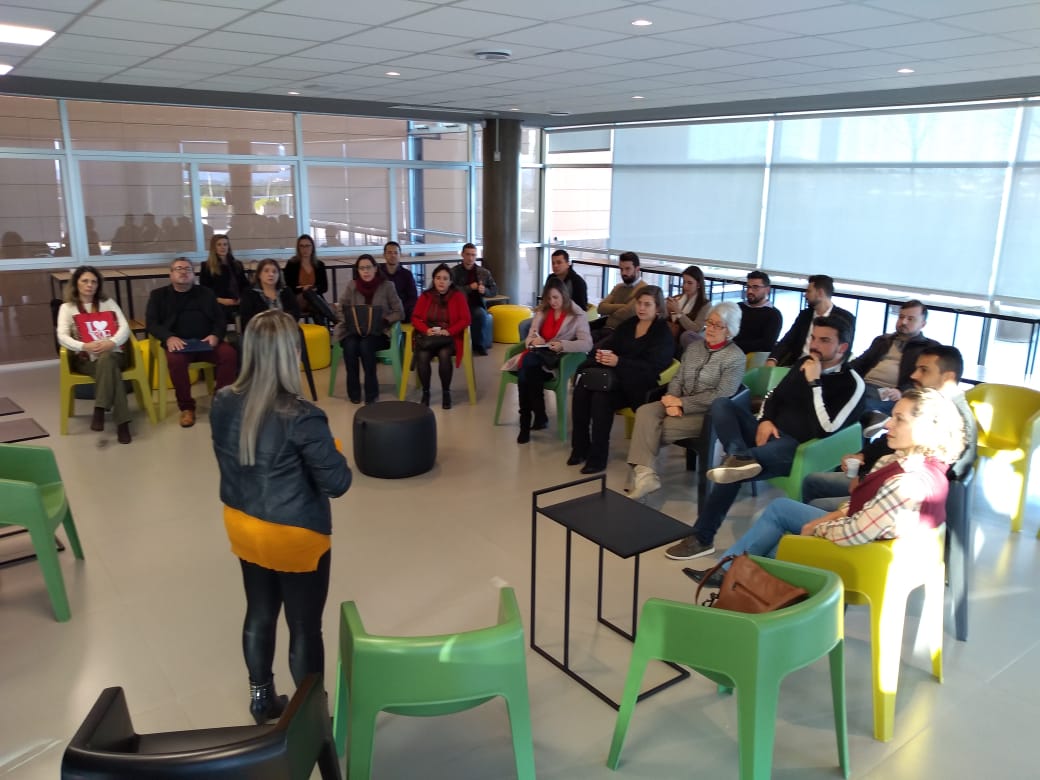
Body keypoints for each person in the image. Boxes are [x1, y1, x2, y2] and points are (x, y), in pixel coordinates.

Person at [210, 310, 351, 725]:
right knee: (305, 627)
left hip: (242, 522)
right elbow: (337, 482)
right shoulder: (302, 414)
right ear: (291, 352)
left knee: (259, 611)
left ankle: (261, 698)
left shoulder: (222, 400)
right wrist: (333, 448)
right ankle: (312, 716)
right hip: (294, 533)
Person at [683, 388, 965, 587]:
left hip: (865, 557)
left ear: (927, 427)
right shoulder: (920, 464)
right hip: (871, 541)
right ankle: (733, 575)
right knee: (780, 513)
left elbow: (855, 533)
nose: (888, 424)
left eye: (899, 419)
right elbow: (867, 506)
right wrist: (833, 515)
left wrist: (816, 528)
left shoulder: (906, 483)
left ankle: (739, 582)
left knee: (775, 544)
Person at [666, 316, 866, 560]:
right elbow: (774, 396)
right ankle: (739, 454)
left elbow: (827, 428)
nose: (814, 345)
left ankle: (702, 538)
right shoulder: (803, 362)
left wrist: (815, 383)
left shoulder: (851, 383)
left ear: (842, 347)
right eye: (813, 338)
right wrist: (765, 420)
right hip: (768, 432)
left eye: (824, 341)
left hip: (796, 448)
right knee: (721, 405)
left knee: (732, 472)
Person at [802, 344, 978, 511]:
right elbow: (890, 440)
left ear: (948, 378)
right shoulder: (935, 404)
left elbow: (929, 479)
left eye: (924, 370)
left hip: (898, 498)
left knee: (817, 504)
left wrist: (867, 480)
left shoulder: (956, 422)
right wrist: (863, 455)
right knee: (812, 481)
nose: (914, 375)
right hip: (883, 478)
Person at [626, 302, 745, 500]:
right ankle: (645, 476)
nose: (711, 329)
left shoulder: (735, 358)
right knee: (644, 412)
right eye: (710, 323)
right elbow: (678, 378)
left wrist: (683, 404)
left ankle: (642, 478)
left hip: (707, 414)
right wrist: (672, 400)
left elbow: (721, 395)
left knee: (649, 428)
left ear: (729, 331)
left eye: (718, 326)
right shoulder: (694, 347)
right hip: (677, 401)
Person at [569, 285, 674, 474]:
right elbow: (610, 344)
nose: (641, 308)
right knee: (582, 389)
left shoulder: (663, 333)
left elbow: (652, 368)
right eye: (639, 303)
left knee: (601, 398)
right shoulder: (629, 325)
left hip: (639, 387)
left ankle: (598, 457)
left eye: (647, 305)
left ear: (658, 308)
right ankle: (580, 447)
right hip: (616, 379)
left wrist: (619, 362)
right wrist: (601, 355)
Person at [145, 258, 238, 428]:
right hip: (179, 344)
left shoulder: (206, 293)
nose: (183, 272)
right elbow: (152, 323)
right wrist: (168, 337)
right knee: (176, 362)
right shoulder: (158, 295)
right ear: (171, 274)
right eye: (179, 268)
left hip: (205, 342)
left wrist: (215, 335)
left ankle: (221, 400)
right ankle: (187, 407)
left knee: (229, 354)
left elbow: (220, 319)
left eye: (188, 269)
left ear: (193, 274)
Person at [503, 276, 593, 444]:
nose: (552, 302)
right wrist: (534, 341)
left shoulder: (577, 314)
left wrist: (563, 345)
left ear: (564, 295)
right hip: (537, 357)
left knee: (525, 370)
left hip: (556, 361)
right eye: (549, 298)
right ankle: (529, 420)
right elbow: (530, 338)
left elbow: (587, 343)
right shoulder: (543, 310)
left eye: (556, 297)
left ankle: (532, 419)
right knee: (528, 369)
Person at [55, 265, 134, 444]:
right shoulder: (67, 308)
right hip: (86, 359)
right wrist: (84, 346)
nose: (90, 285)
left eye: (94, 282)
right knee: (111, 370)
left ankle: (100, 409)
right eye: (85, 281)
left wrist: (112, 342)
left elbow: (124, 327)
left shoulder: (108, 303)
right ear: (76, 283)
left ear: (98, 285)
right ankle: (122, 424)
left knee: (107, 358)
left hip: (114, 353)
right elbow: (62, 336)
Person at [332, 254, 403, 404]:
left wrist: (385, 320)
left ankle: (371, 393)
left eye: (368, 267)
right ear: (358, 271)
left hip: (378, 332)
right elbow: (340, 308)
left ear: (375, 269)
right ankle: (354, 393)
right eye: (362, 268)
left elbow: (399, 312)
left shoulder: (387, 286)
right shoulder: (352, 286)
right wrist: (348, 320)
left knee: (366, 345)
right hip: (354, 330)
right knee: (350, 346)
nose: (365, 271)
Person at [849, 300, 938, 415]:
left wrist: (902, 391)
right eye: (901, 317)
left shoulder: (929, 348)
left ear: (923, 324)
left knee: (860, 407)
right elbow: (860, 362)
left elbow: (926, 379)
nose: (903, 322)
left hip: (890, 393)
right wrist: (841, 372)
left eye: (910, 319)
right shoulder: (882, 340)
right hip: (863, 386)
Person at [412, 262, 471, 409]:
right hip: (429, 336)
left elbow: (466, 319)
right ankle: (426, 393)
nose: (441, 281)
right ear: (433, 279)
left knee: (444, 355)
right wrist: (426, 330)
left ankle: (446, 393)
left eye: (445, 278)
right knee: (423, 355)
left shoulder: (458, 296)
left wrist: (449, 331)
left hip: (449, 337)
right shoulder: (425, 296)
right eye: (438, 278)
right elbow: (415, 318)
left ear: (450, 281)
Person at [767, 274, 856, 367]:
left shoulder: (845, 318)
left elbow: (844, 352)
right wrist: (772, 359)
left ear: (820, 293)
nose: (805, 295)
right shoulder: (805, 315)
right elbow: (788, 340)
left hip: (824, 368)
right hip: (796, 365)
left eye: (809, 291)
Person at [450, 243, 497, 356]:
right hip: (458, 305)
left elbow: (494, 290)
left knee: (480, 315)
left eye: (473, 255)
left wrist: (484, 290)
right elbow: (451, 291)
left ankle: (478, 345)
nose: (470, 258)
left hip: (475, 305)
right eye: (468, 254)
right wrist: (469, 288)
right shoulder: (454, 272)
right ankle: (455, 345)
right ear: (462, 255)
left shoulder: (483, 272)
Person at [238, 258, 300, 333]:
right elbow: (247, 318)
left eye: (274, 272)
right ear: (259, 274)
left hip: (284, 329)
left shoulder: (286, 291)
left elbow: (295, 312)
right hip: (260, 332)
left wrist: (283, 324)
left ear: (279, 275)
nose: (271, 274)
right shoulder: (249, 293)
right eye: (266, 271)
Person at [594, 251, 646, 338]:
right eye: (621, 269)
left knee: (591, 346)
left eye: (627, 269)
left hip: (621, 334)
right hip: (604, 328)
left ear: (637, 269)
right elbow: (601, 308)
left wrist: (610, 310)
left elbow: (626, 313)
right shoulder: (619, 287)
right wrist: (624, 306)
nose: (623, 273)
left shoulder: (643, 290)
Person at [199, 233, 249, 322]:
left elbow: (245, 285)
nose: (223, 247)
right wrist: (221, 300)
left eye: (225, 244)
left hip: (238, 302)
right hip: (218, 303)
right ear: (214, 248)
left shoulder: (237, 264)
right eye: (219, 245)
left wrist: (241, 299)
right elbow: (204, 290)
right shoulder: (206, 266)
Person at [283, 234, 330, 324]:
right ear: (298, 248)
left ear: (312, 247)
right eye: (302, 246)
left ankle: (322, 328)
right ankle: (332, 320)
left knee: (314, 305)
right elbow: (288, 287)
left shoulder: (319, 265)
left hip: (313, 300)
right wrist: (304, 289)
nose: (305, 249)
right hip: (297, 299)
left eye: (308, 246)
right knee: (309, 295)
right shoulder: (292, 264)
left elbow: (324, 287)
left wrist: (312, 289)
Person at [734, 270, 782, 355]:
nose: (750, 291)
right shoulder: (738, 307)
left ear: (767, 289)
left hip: (752, 358)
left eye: (755, 287)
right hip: (728, 352)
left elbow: (766, 344)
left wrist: (734, 345)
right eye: (748, 287)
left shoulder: (773, 315)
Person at [665, 265, 710, 352]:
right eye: (684, 282)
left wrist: (678, 312)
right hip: (672, 337)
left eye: (689, 283)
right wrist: (667, 310)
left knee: (686, 335)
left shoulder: (705, 305)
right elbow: (668, 320)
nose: (685, 286)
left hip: (688, 342)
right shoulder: (677, 298)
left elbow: (696, 328)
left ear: (698, 284)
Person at [380, 240, 417, 323]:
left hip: (402, 314)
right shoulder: (378, 274)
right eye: (389, 252)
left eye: (396, 253)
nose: (393, 255)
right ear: (384, 255)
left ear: (400, 255)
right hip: (383, 314)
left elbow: (413, 298)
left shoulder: (407, 274)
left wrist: (399, 309)